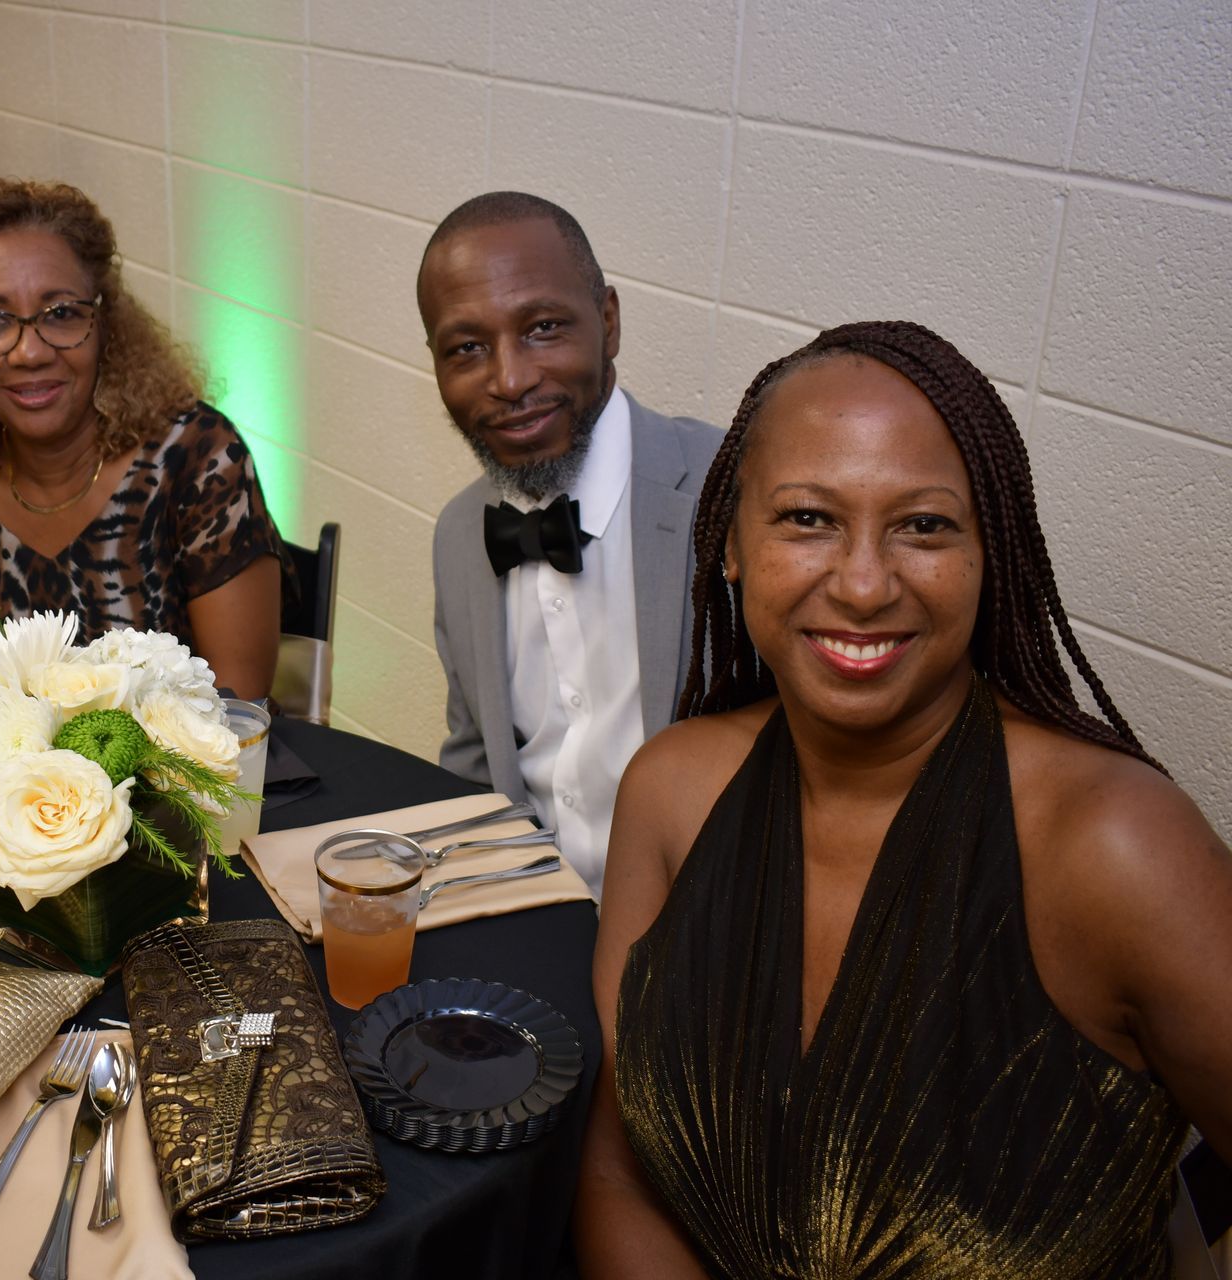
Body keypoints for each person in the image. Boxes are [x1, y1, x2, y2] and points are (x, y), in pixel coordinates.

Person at [577, 321, 1232, 1278]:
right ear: (731, 545)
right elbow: (619, 1174)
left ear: (989, 551)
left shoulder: (1116, 845)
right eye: (808, 518)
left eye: (924, 526)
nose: (863, 584)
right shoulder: (671, 790)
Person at [418, 191, 721, 895]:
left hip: (699, 933)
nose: (510, 380)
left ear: (608, 322)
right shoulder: (460, 536)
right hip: (527, 915)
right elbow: (472, 770)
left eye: (543, 328)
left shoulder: (731, 493)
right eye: (467, 348)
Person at [0, 177, 285, 701]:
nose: (29, 352)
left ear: (104, 324)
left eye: (61, 313)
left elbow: (238, 708)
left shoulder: (197, 459)